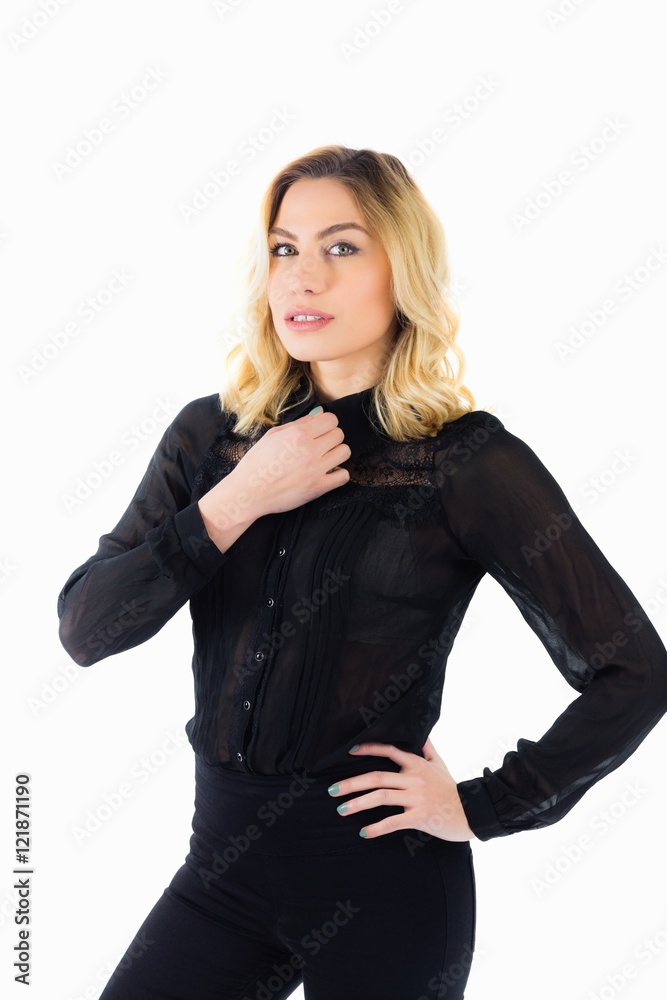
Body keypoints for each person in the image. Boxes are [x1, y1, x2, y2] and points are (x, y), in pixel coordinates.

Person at [57, 144, 667, 1000]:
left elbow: (634, 669)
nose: (303, 277)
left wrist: (485, 804)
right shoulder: (210, 439)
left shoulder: (463, 461)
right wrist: (237, 501)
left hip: (385, 888)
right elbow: (87, 630)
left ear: (401, 272)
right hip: (219, 876)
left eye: (341, 247)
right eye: (284, 248)